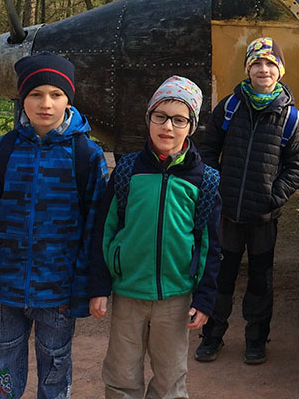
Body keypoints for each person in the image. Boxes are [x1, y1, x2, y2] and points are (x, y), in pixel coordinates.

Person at [0, 52, 109, 399]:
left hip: (58, 294)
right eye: (36, 94)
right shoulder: (1, 152)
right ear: (22, 98)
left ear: (69, 99)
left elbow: (94, 231)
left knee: (55, 374)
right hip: (5, 293)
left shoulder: (87, 156)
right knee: (5, 375)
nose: (46, 104)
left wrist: (84, 291)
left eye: (56, 94)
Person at [88, 75, 221, 399]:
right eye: (160, 116)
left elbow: (211, 245)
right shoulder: (127, 170)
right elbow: (105, 230)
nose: (168, 127)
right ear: (148, 118)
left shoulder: (205, 180)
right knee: (121, 374)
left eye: (179, 119)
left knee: (171, 378)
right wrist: (99, 286)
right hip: (128, 292)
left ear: (191, 126)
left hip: (176, 296)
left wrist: (204, 299)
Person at [195, 37, 299, 365]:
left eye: (270, 64)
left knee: (260, 282)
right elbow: (208, 148)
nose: (263, 69)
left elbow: (297, 165)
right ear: (248, 69)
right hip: (227, 214)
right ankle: (211, 336)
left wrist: (273, 198)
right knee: (220, 277)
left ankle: (256, 340)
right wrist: (217, 187)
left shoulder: (289, 117)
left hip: (263, 219)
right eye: (256, 63)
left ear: (280, 71)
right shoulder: (229, 107)